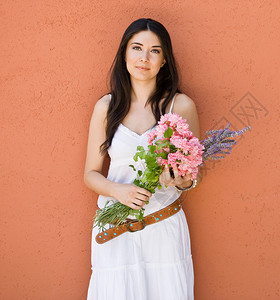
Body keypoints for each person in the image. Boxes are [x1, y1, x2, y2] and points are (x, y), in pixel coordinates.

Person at [84, 18, 199, 300]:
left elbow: (192, 173)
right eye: (137, 48)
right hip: (115, 230)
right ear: (124, 54)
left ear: (164, 61)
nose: (144, 58)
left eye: (155, 51)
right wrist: (117, 190)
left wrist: (181, 181)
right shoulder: (106, 107)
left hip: (163, 227)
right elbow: (90, 174)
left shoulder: (181, 106)